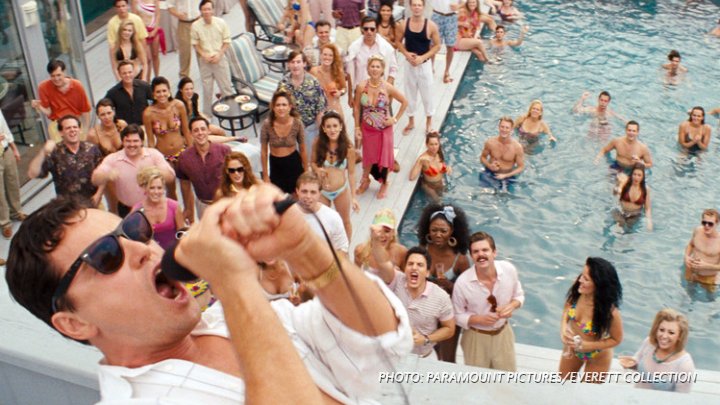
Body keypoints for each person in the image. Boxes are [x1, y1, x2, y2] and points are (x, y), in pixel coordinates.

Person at [4, 185, 412, 403]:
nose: (144, 250)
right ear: (74, 323)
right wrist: (235, 284)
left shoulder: (224, 324)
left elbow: (381, 344)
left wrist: (304, 249)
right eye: (106, 256)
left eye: (132, 230)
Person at [452, 231, 524, 371]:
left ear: (494, 252)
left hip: (503, 334)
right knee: (478, 380)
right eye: (476, 251)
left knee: (507, 378)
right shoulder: (462, 283)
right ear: (471, 256)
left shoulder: (509, 270)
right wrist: (479, 319)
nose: (481, 255)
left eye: (485, 250)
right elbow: (456, 315)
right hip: (475, 338)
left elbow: (519, 296)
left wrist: (511, 306)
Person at [373, 245, 456, 359]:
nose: (414, 268)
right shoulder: (396, 280)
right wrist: (377, 241)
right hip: (392, 355)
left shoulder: (441, 297)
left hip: (423, 357)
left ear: (427, 272)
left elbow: (450, 329)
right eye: (410, 264)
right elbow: (382, 262)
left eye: (420, 265)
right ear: (404, 269)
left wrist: (426, 339)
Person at [417, 204, 470, 362]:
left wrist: (450, 286)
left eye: (443, 231)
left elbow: (468, 293)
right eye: (434, 230)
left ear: (452, 231)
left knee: (447, 358)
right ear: (428, 230)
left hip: (449, 314)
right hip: (427, 311)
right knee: (429, 352)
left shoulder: (460, 259)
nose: (438, 235)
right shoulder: (422, 251)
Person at [559, 257, 623, 383]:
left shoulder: (610, 312)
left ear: (598, 285)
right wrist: (563, 329)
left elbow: (617, 339)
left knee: (586, 393)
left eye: (586, 279)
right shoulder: (578, 290)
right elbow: (567, 307)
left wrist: (589, 345)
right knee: (562, 385)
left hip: (598, 356)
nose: (580, 280)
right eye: (582, 275)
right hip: (572, 349)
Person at [92, 124, 176, 217]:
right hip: (126, 210)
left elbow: (170, 177)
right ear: (123, 142)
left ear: (142, 142)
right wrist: (105, 174)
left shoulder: (154, 155)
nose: (132, 145)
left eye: (135, 141)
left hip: (153, 207)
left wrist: (155, 172)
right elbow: (95, 179)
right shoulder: (113, 158)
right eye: (128, 141)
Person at [354, 55, 408, 199]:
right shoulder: (361, 87)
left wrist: (394, 119)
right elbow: (357, 108)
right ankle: (365, 180)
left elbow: (404, 102)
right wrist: (357, 127)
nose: (375, 69)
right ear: (368, 68)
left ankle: (384, 183)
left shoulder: (387, 87)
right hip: (367, 129)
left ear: (383, 69)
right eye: (372, 66)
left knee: (383, 157)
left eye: (378, 67)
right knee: (368, 156)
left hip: (384, 130)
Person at [27, 115, 104, 207]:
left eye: (75, 127)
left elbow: (102, 174)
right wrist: (42, 152)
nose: (72, 130)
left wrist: (99, 194)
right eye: (68, 128)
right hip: (67, 207)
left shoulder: (92, 149)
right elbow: (33, 174)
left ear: (80, 130)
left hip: (93, 202)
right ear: (61, 133)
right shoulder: (54, 152)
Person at [619, 308, 695, 393]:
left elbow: (681, 398)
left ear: (680, 336)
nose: (664, 336)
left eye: (671, 333)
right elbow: (638, 360)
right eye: (661, 330)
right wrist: (632, 364)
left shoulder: (685, 365)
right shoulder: (649, 343)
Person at [311, 110, 358, 239]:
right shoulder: (317, 143)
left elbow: (352, 173)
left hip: (340, 191)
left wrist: (354, 197)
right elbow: (313, 163)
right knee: (322, 223)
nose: (332, 130)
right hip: (322, 191)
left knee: (345, 221)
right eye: (328, 126)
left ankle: (346, 248)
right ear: (324, 129)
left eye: (335, 126)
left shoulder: (348, 148)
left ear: (341, 127)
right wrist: (317, 170)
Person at [396, 0, 441, 135]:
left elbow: (437, 46)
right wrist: (406, 53)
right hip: (409, 65)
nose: (416, 8)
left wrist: (423, 57)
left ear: (423, 7)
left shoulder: (431, 26)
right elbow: (398, 42)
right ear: (410, 7)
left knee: (427, 95)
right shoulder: (404, 24)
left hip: (424, 65)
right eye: (414, 5)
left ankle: (428, 122)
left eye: (419, 5)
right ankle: (411, 121)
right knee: (410, 94)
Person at [143, 76, 191, 201]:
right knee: (170, 188)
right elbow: (151, 141)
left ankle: (189, 212)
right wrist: (152, 162)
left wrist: (192, 151)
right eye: (158, 92)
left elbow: (186, 131)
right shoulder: (148, 113)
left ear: (169, 91)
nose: (162, 94)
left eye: (164, 91)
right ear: (153, 94)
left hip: (182, 151)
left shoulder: (179, 105)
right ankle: (175, 212)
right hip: (163, 156)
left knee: (186, 185)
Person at [176, 117, 232, 222]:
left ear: (208, 131)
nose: (200, 133)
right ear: (191, 134)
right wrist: (188, 208)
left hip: (226, 202)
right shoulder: (184, 157)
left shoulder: (224, 150)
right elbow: (184, 183)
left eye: (203, 129)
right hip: (203, 206)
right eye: (196, 130)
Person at [191, 0, 235, 118]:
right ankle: (207, 115)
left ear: (213, 10)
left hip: (220, 59)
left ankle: (232, 111)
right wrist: (203, 54)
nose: (206, 12)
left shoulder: (221, 23)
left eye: (209, 9)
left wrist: (219, 54)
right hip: (205, 61)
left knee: (226, 87)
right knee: (207, 89)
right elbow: (195, 44)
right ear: (200, 11)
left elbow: (227, 41)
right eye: (204, 9)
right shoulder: (195, 26)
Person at [278, 51, 327, 155]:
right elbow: (277, 108)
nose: (295, 65)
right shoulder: (283, 84)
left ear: (304, 63)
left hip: (309, 129)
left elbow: (320, 109)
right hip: (289, 130)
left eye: (298, 62)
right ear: (288, 64)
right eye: (292, 62)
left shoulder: (313, 82)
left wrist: (321, 133)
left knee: (309, 158)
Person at [31, 60, 92, 142]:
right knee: (61, 147)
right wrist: (39, 106)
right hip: (58, 124)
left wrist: (86, 130)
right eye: (53, 76)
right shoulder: (43, 87)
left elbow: (85, 110)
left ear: (64, 72)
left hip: (75, 121)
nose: (56, 79)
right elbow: (49, 112)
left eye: (58, 75)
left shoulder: (77, 85)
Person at [345, 17, 399, 108]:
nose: (369, 32)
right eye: (366, 29)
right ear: (362, 29)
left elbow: (393, 69)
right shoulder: (354, 48)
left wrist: (387, 88)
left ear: (376, 29)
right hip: (361, 92)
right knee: (359, 117)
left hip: (381, 93)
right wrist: (350, 95)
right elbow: (350, 73)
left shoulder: (386, 47)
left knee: (383, 117)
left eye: (372, 29)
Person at [261, 90, 307, 195]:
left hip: (293, 163)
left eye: (284, 105)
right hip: (276, 165)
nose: (281, 108)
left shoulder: (297, 123)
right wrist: (265, 175)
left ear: (290, 107)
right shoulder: (267, 125)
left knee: (297, 196)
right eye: (278, 105)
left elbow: (303, 149)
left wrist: (306, 171)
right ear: (273, 107)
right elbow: (263, 152)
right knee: (278, 198)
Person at [86, 99, 126, 214]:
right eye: (103, 114)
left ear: (114, 112)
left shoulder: (121, 125)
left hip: (126, 169)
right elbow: (92, 163)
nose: (107, 117)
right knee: (115, 207)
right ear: (98, 116)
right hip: (108, 175)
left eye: (109, 113)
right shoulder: (93, 135)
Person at [296, 171, 349, 254]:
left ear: (319, 194)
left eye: (313, 192)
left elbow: (342, 248)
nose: (308, 196)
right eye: (304, 191)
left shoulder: (332, 217)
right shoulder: (287, 214)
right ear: (297, 191)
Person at [131, 166, 184, 250]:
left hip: (172, 253)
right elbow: (134, 240)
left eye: (159, 188)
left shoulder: (174, 206)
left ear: (164, 188)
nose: (156, 192)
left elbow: (182, 234)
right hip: (150, 253)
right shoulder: (137, 210)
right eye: (152, 188)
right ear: (144, 188)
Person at [354, 209, 408, 273]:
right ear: (372, 232)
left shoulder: (401, 252)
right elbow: (354, 275)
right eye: (379, 231)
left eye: (386, 231)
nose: (382, 235)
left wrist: (398, 275)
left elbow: (406, 276)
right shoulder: (360, 251)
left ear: (393, 233)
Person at [0, 110, 26, 240]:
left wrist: (14, 149)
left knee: (13, 183)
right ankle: (5, 223)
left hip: (6, 151)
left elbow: (5, 128)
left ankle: (16, 212)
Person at [104, 61, 154, 126]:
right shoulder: (112, 93)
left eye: (130, 72)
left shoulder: (144, 86)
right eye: (124, 73)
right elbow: (103, 108)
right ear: (119, 74)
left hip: (145, 125)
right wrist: (115, 121)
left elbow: (156, 99)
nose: (127, 75)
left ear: (133, 72)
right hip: (126, 129)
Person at [684, 209, 720, 292]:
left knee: (710, 297)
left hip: (709, 278)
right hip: (692, 271)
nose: (706, 226)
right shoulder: (697, 231)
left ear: (717, 223)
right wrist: (686, 257)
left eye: (710, 224)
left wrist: (706, 266)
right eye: (704, 222)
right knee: (686, 293)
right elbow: (691, 245)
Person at [409, 131, 452, 201]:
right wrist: (419, 161)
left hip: (440, 183)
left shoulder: (439, 153)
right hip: (429, 186)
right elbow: (411, 177)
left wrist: (448, 168)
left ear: (439, 144)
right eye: (431, 144)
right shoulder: (424, 159)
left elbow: (441, 169)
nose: (434, 147)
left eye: (436, 144)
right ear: (427, 145)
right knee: (438, 202)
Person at [480, 116, 525, 181]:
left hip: (507, 176)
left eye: (507, 128)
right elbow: (482, 157)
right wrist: (490, 166)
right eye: (502, 127)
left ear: (511, 129)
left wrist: (505, 175)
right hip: (489, 172)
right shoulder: (490, 142)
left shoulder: (517, 147)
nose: (504, 130)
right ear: (499, 127)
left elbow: (521, 167)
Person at [309, 44, 347, 118]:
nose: (327, 57)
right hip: (320, 112)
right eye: (325, 54)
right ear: (321, 56)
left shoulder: (338, 71)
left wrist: (340, 92)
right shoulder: (313, 71)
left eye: (330, 55)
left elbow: (344, 88)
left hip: (335, 109)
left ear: (334, 57)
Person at [613, 164, 652, 231]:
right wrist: (616, 189)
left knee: (628, 232)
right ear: (631, 174)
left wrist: (649, 221)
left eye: (639, 175)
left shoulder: (645, 189)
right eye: (634, 174)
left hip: (634, 215)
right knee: (620, 225)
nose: (636, 177)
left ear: (643, 177)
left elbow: (647, 208)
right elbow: (614, 193)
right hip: (620, 211)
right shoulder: (625, 182)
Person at [167, 0, 201, 78]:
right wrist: (177, 14)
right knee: (185, 51)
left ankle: (205, 73)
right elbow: (169, 5)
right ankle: (184, 76)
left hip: (198, 21)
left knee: (201, 49)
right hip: (184, 23)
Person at [430, 0, 461, 83]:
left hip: (452, 17)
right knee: (433, 45)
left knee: (450, 46)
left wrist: (459, 6)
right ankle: (430, 68)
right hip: (437, 15)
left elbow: (464, 2)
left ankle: (447, 71)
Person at [132, 0, 164, 79]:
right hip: (142, 32)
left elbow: (158, 15)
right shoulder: (135, 1)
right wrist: (143, 31)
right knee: (147, 58)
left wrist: (155, 30)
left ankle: (157, 78)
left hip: (154, 29)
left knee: (155, 55)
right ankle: (147, 80)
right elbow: (135, 17)